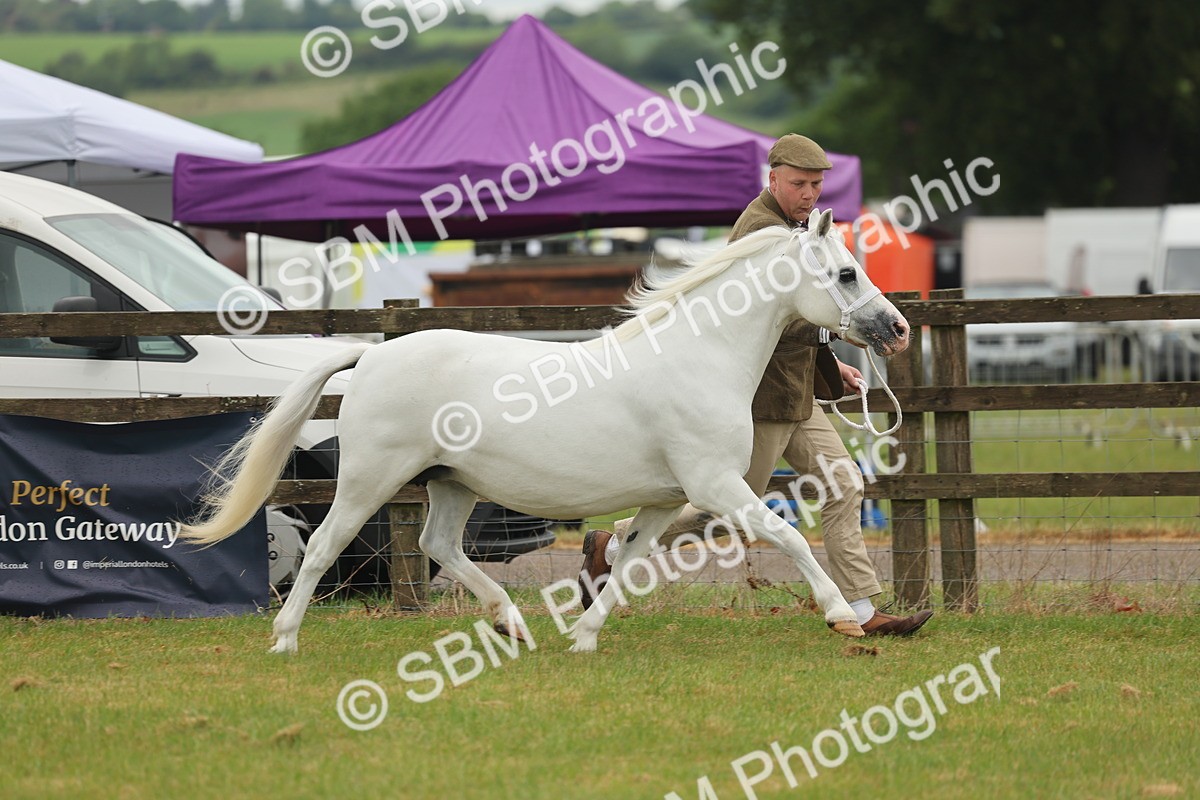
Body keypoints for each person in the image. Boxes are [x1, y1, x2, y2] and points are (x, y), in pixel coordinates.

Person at [579, 134, 932, 636]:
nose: (810, 194)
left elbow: (810, 308)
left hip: (798, 394)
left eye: (816, 184)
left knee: (844, 484)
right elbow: (767, 316)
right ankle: (612, 547)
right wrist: (839, 335)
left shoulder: (806, 228)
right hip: (757, 399)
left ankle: (862, 610)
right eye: (799, 184)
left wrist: (831, 368)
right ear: (773, 179)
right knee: (728, 508)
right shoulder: (759, 231)